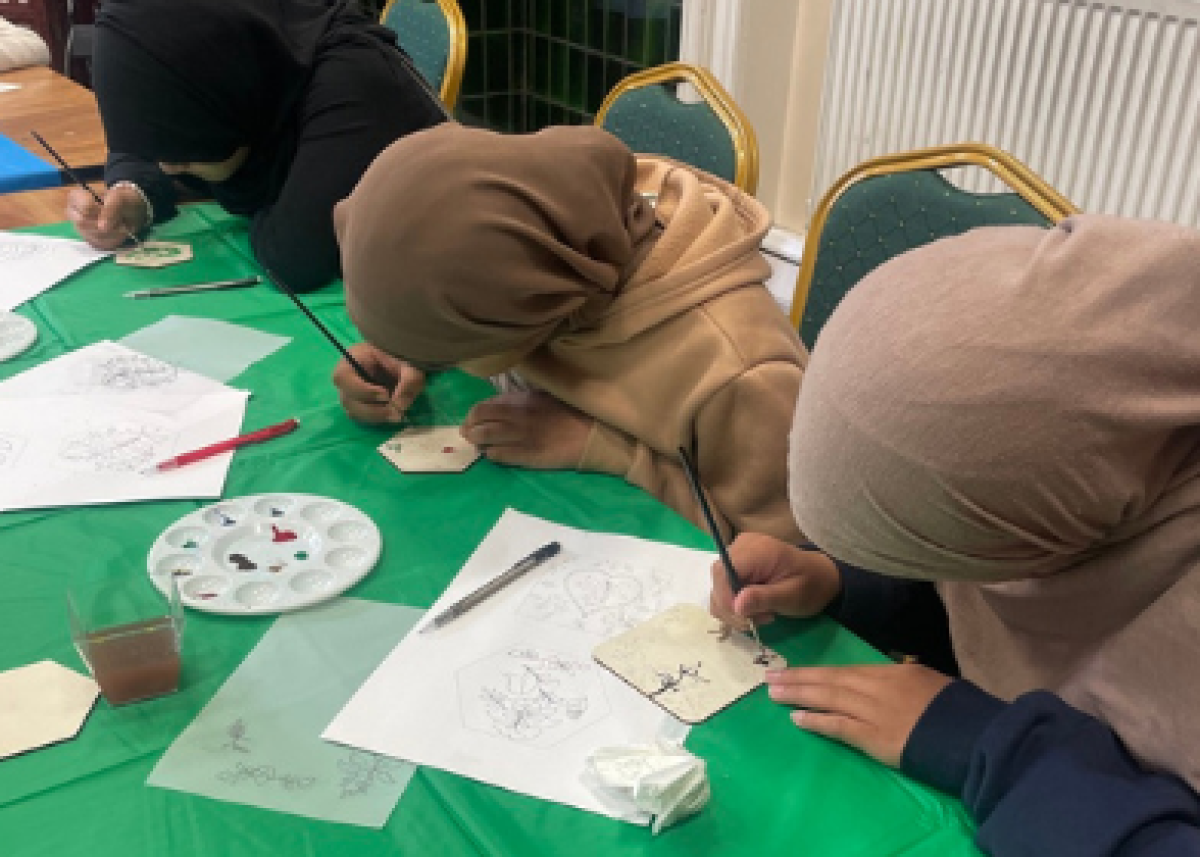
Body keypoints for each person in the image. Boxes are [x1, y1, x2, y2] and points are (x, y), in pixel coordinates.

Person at [710, 215, 1200, 855]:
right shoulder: (1108, 444)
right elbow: (998, 593)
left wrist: (987, 744)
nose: (975, 582)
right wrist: (840, 582)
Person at [331, 122, 807, 544]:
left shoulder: (740, 370)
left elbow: (783, 561)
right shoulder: (555, 243)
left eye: (454, 350)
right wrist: (407, 352)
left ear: (528, 306)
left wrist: (607, 450)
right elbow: (465, 260)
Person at [68, 0, 446, 292]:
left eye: (184, 158)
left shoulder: (356, 77)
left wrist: (228, 187)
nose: (166, 168)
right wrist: (135, 192)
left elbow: (297, 256)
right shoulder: (237, 74)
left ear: (220, 88)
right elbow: (138, 142)